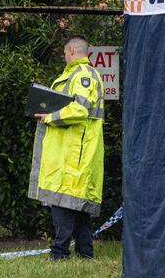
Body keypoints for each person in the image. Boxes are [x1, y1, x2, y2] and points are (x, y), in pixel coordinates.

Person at [27, 35, 105, 260]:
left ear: (72, 50)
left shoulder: (82, 75)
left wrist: (50, 116)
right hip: (73, 152)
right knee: (78, 209)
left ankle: (59, 254)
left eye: (64, 53)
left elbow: (80, 110)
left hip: (72, 155)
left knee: (62, 205)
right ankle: (84, 254)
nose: (63, 57)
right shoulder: (79, 75)